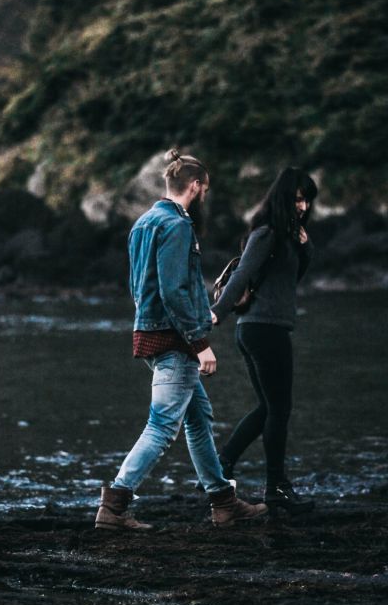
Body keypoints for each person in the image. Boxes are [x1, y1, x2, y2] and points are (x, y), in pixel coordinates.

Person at [94, 149, 268, 530]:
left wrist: (201, 310)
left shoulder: (142, 223)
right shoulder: (177, 226)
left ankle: (223, 502)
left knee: (198, 419)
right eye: (203, 189)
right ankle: (115, 506)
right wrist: (198, 341)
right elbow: (173, 289)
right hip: (174, 338)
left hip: (150, 332)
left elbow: (141, 287)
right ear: (195, 186)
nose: (204, 196)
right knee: (162, 425)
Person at [211, 167, 318, 514]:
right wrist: (216, 313)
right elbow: (241, 274)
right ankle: (277, 488)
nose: (302, 206)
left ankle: (222, 466)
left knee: (269, 408)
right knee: (280, 408)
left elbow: (291, 281)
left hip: (266, 327)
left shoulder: (288, 237)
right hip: (262, 329)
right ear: (283, 197)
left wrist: (305, 246)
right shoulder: (266, 233)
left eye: (307, 200)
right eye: (298, 198)